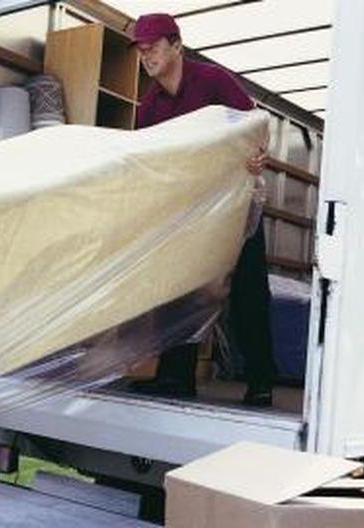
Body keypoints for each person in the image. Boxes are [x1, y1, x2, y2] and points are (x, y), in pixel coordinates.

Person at [128, 13, 277, 407]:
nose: (146, 55)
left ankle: (261, 380)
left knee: (247, 291)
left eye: (153, 46)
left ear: (176, 45)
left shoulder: (212, 80)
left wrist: (258, 154)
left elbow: (254, 124)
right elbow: (148, 162)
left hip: (235, 204)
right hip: (189, 214)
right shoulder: (149, 107)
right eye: (141, 49)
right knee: (180, 292)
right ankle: (175, 378)